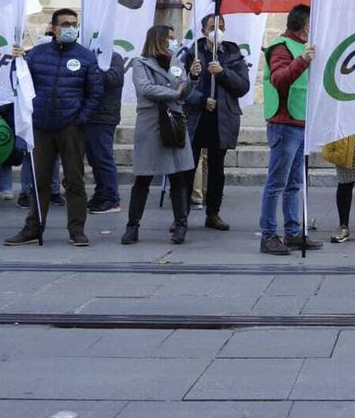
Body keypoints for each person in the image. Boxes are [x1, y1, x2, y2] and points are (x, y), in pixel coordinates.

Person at [4, 9, 103, 247]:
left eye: (74, 24)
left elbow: (95, 92)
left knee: (74, 181)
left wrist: (80, 119)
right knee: (39, 183)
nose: (71, 28)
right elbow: (19, 82)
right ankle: (33, 228)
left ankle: (77, 230)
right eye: (66, 24)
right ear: (54, 27)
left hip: (71, 126)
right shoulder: (36, 54)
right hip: (41, 126)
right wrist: (17, 61)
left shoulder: (86, 57)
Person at [121, 25, 199, 245]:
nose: (173, 42)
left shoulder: (176, 63)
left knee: (178, 176)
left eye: (174, 38)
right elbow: (145, 88)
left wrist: (192, 78)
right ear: (158, 39)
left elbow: (185, 92)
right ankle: (132, 226)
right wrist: (175, 92)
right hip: (151, 122)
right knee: (143, 176)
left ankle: (181, 224)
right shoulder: (140, 62)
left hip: (174, 121)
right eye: (170, 38)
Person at [259, 4, 321, 255]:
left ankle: (293, 233)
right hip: (284, 123)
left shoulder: (300, 47)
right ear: (306, 26)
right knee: (277, 182)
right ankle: (269, 235)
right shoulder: (281, 47)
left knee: (295, 182)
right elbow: (279, 79)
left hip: (300, 121)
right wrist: (303, 60)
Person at [191, 13, 249, 230]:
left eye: (222, 26)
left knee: (217, 169)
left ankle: (213, 213)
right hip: (197, 117)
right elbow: (180, 86)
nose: (218, 30)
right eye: (213, 26)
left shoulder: (232, 53)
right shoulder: (192, 52)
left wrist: (223, 72)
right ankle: (180, 216)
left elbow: (243, 86)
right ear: (203, 29)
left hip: (222, 119)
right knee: (188, 168)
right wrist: (198, 91)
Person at [85, 52, 128, 214]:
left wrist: (92, 70)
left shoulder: (113, 57)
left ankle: (111, 198)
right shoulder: (87, 55)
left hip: (104, 116)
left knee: (103, 158)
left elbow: (113, 78)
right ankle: (101, 193)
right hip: (89, 115)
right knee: (94, 158)